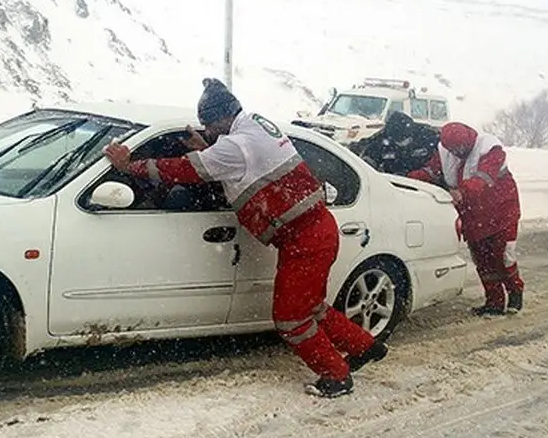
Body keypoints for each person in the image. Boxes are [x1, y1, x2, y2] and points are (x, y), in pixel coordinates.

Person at [103, 78, 388, 398]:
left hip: (304, 240)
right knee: (311, 307)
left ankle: (336, 376)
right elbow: (241, 158)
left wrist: (130, 166)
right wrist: (208, 146)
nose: (207, 131)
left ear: (222, 118)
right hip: (314, 230)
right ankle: (365, 347)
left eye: (209, 124)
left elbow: (184, 171)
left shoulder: (233, 146)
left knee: (290, 319)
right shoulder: (253, 125)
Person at [408, 122, 525, 316]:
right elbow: (432, 171)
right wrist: (410, 178)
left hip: (501, 212)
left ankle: (515, 291)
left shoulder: (490, 149)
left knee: (503, 256)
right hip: (473, 215)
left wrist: (462, 192)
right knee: (483, 260)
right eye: (453, 149)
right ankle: (494, 302)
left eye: (461, 148)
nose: (458, 152)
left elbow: (483, 178)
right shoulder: (445, 152)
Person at [350, 110, 440, 176]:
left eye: (406, 138)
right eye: (398, 140)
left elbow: (446, 154)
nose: (403, 143)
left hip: (425, 184)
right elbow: (365, 158)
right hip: (393, 183)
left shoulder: (428, 135)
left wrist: (427, 173)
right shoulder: (381, 140)